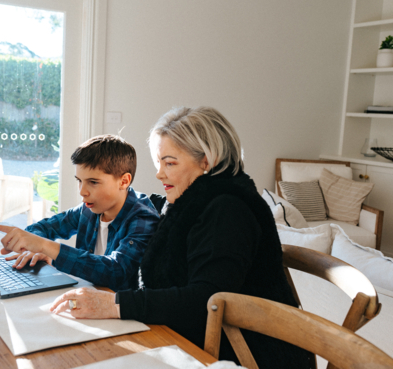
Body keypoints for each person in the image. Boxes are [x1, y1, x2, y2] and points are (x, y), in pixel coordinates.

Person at [47, 107, 312, 367]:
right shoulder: (190, 203)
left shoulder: (229, 210)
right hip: (196, 338)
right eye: (159, 162)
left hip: (250, 355)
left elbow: (205, 300)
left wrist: (116, 304)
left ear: (206, 161)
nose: (159, 173)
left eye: (170, 163)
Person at [0, 134, 160, 292]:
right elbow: (44, 228)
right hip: (87, 296)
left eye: (93, 182)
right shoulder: (89, 209)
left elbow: (115, 272)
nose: (82, 191)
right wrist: (33, 245)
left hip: (120, 314)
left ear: (124, 181)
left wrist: (47, 247)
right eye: (79, 181)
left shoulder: (143, 218)